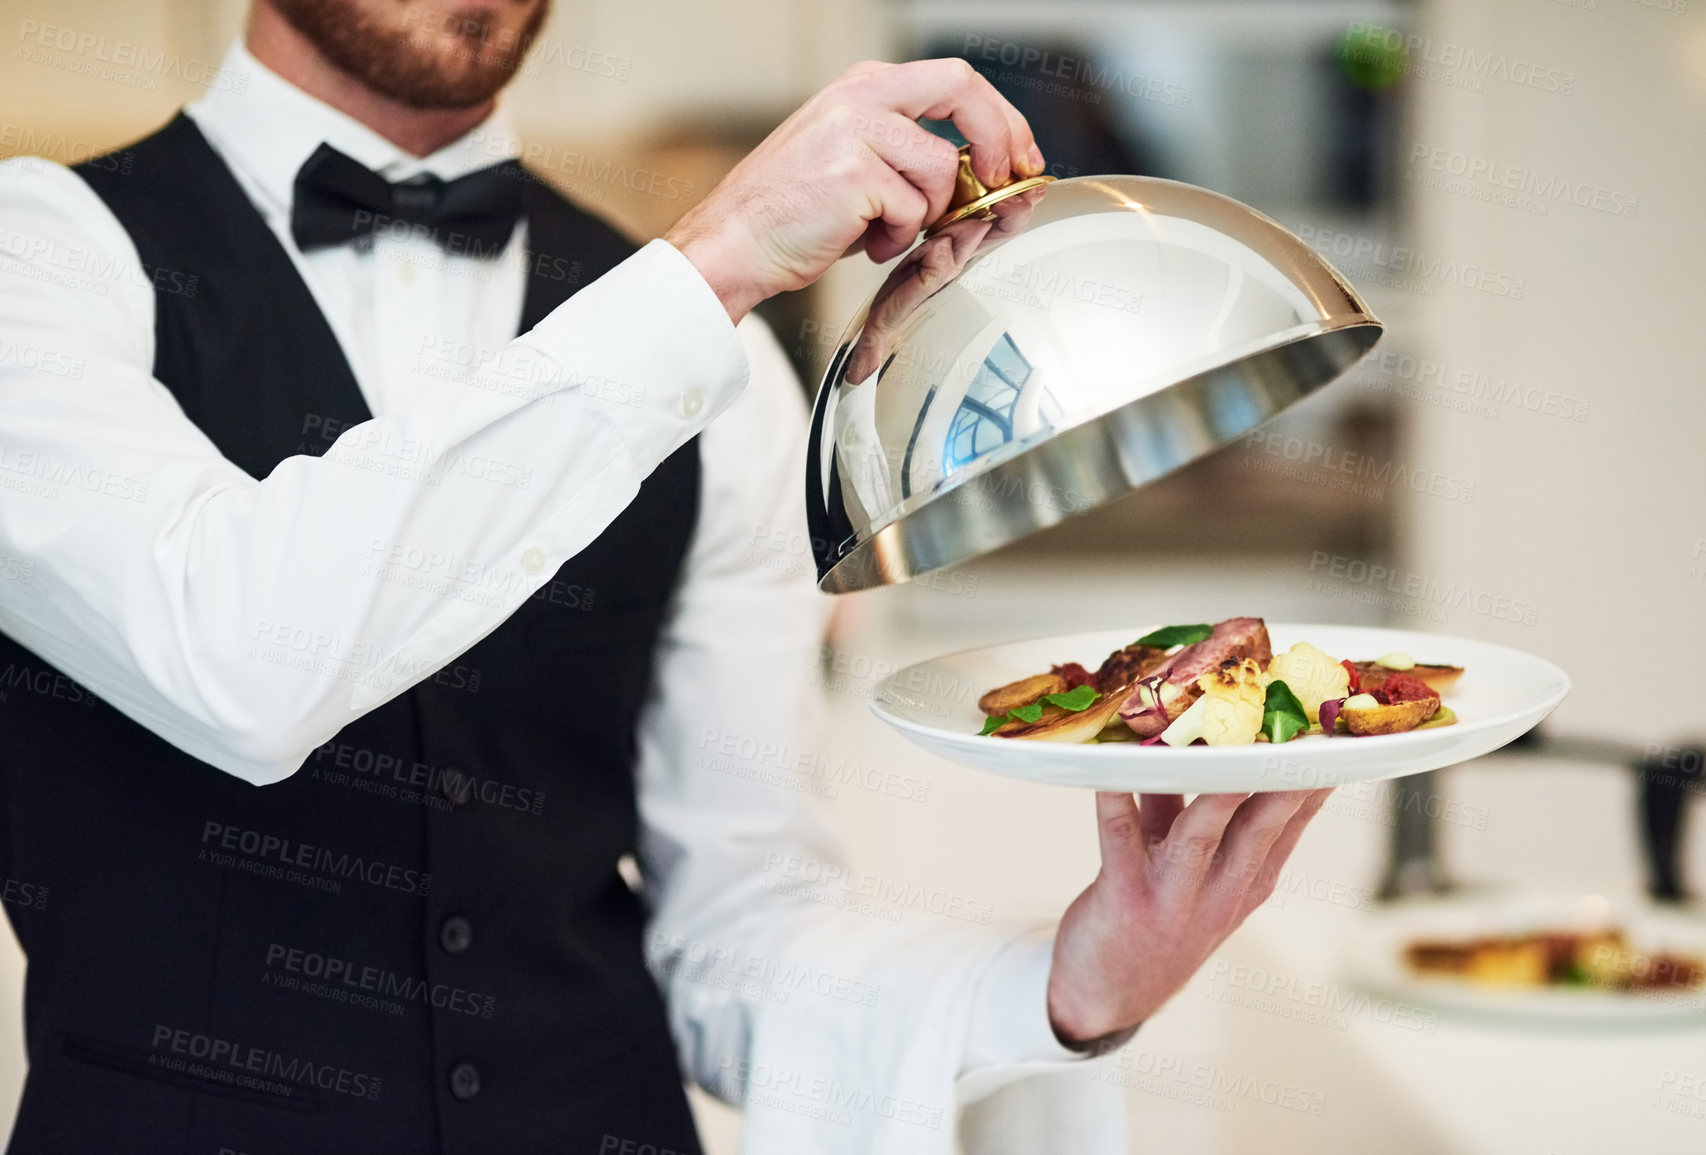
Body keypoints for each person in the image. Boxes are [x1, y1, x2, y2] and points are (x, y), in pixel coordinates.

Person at [0, 0, 1331, 1150]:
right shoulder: (39, 260)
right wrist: (719, 260)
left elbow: (737, 935)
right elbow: (235, 658)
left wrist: (1068, 986)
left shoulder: (724, 374)